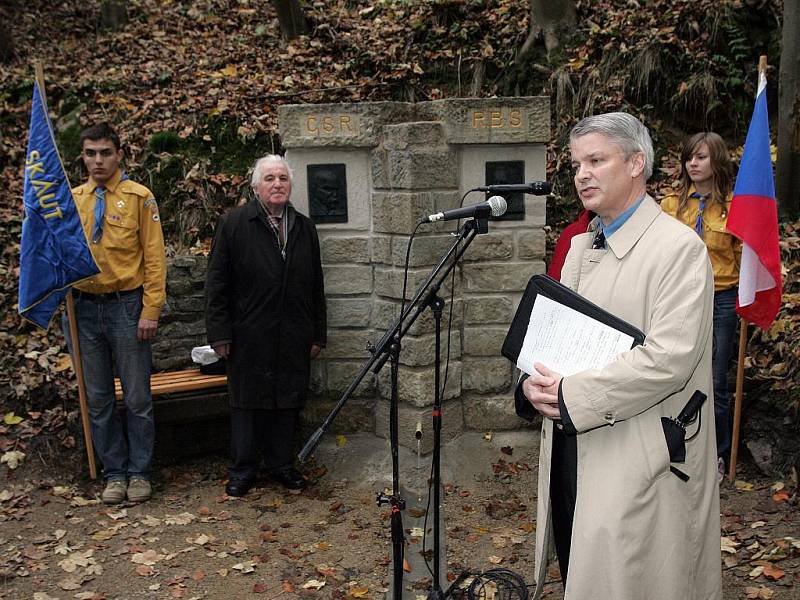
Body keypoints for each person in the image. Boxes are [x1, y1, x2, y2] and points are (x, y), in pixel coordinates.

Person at [516, 113, 721, 599]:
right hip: (571, 444)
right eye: (575, 164)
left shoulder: (679, 250)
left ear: (635, 164)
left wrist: (571, 393)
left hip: (642, 452)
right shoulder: (580, 247)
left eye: (595, 160)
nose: (581, 174)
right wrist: (531, 382)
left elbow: (669, 359)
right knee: (580, 565)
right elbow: (556, 339)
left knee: (637, 580)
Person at [205, 154, 326, 497]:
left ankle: (281, 465)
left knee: (287, 400)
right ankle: (243, 470)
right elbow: (217, 283)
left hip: (293, 332)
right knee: (246, 403)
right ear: (256, 186)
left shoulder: (304, 227)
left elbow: (316, 283)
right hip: (248, 333)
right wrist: (220, 334)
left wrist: (318, 332)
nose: (277, 184)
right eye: (270, 178)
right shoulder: (234, 224)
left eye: (283, 178)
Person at [67, 122, 166, 504]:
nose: (97, 161)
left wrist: (151, 309)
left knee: (138, 397)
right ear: (83, 156)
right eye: (90, 153)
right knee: (98, 398)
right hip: (83, 310)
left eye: (105, 152)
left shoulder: (140, 198)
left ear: (119, 154)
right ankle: (114, 473)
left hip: (127, 306)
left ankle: (140, 472)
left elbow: (154, 258)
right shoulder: (73, 199)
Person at [661, 132, 740, 482]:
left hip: (721, 298)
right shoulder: (669, 206)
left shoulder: (736, 208)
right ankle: (677, 444)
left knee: (716, 379)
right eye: (690, 157)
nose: (693, 163)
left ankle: (718, 455)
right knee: (674, 370)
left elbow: (742, 259)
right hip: (678, 297)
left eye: (702, 157)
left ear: (717, 162)